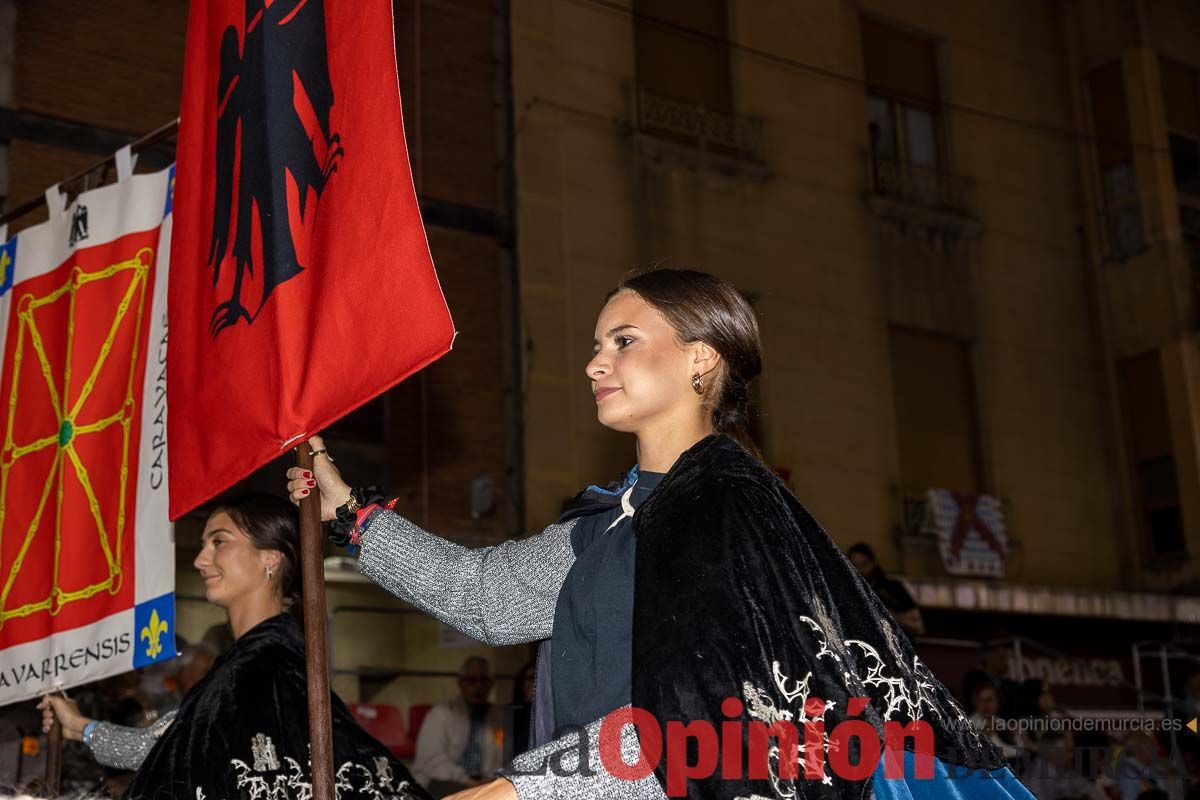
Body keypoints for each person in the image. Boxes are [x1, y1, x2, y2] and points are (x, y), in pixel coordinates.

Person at [288, 270, 1034, 799]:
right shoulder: (610, 517)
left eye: (622, 341)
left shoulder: (731, 510)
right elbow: (485, 597)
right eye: (595, 344)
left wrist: (525, 790)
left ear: (700, 357)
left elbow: (713, 724)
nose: (591, 364)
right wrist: (346, 511)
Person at [40, 494, 431, 800]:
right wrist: (80, 727)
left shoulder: (267, 666)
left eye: (218, 542)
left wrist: (83, 729)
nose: (199, 559)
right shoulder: (245, 663)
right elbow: (170, 749)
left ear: (270, 558)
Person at [413, 656, 504, 797]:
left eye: (484, 680)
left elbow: (502, 757)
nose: (479, 686)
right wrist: (469, 782)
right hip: (446, 781)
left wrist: (490, 783)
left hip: (485, 783)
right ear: (460, 683)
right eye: (472, 680)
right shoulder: (441, 713)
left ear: (491, 684)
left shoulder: (498, 716)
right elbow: (432, 761)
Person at [846, 541, 925, 639]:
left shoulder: (893, 588)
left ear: (873, 563)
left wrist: (892, 618)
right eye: (854, 566)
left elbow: (918, 626)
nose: (859, 570)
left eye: (864, 564)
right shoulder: (846, 591)